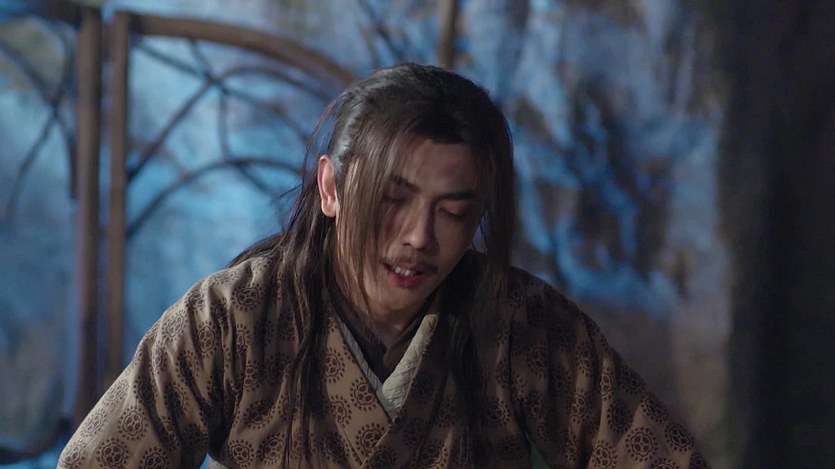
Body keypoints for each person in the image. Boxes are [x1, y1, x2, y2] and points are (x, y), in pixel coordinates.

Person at [59, 63, 708, 468]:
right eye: (393, 200)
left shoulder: (521, 326)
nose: (418, 237)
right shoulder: (230, 320)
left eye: (453, 211)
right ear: (331, 188)